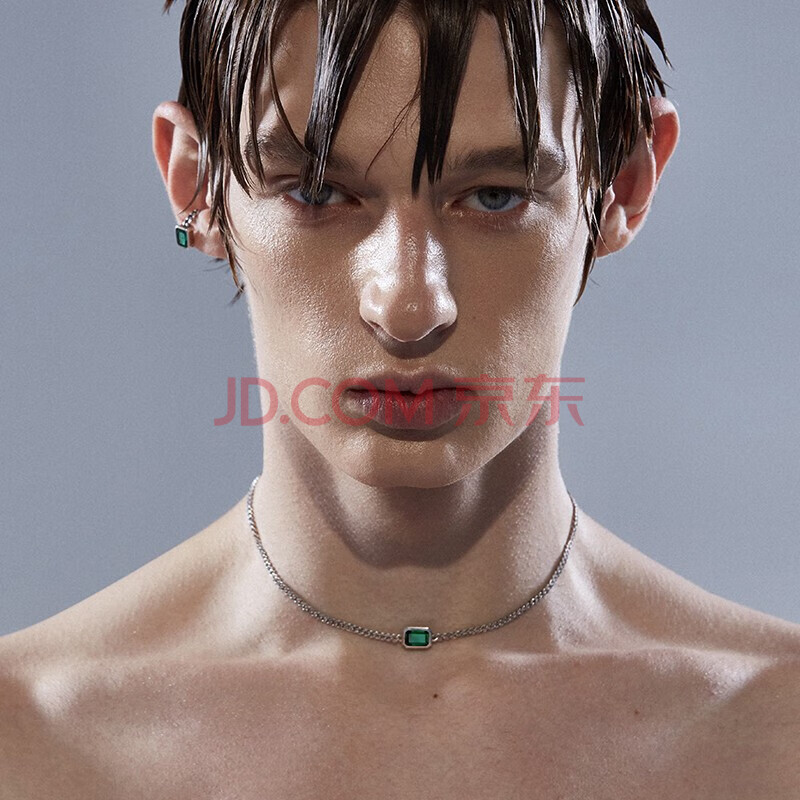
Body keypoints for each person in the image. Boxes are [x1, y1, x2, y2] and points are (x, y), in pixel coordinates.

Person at [2, 0, 799, 796]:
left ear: (625, 181)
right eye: (317, 191)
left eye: (496, 196)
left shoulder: (778, 729)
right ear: (195, 187)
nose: (410, 307)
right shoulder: (26, 734)